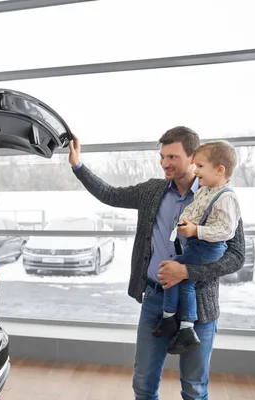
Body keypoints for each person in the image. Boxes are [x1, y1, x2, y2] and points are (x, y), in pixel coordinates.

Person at [68, 127, 245, 400]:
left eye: (172, 157)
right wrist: (78, 166)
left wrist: (187, 271)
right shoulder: (152, 191)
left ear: (193, 157)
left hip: (200, 304)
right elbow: (111, 195)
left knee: (195, 389)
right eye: (162, 156)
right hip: (155, 299)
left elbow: (236, 256)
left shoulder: (220, 197)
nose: (164, 163)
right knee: (143, 385)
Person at [152, 140, 241, 356]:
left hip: (208, 248)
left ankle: (178, 324)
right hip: (197, 244)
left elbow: (226, 232)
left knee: (179, 277)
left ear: (220, 170)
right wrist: (185, 222)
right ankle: (178, 324)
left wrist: (196, 231)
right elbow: (194, 210)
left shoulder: (227, 198)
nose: (196, 170)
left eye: (200, 166)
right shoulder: (205, 191)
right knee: (177, 276)